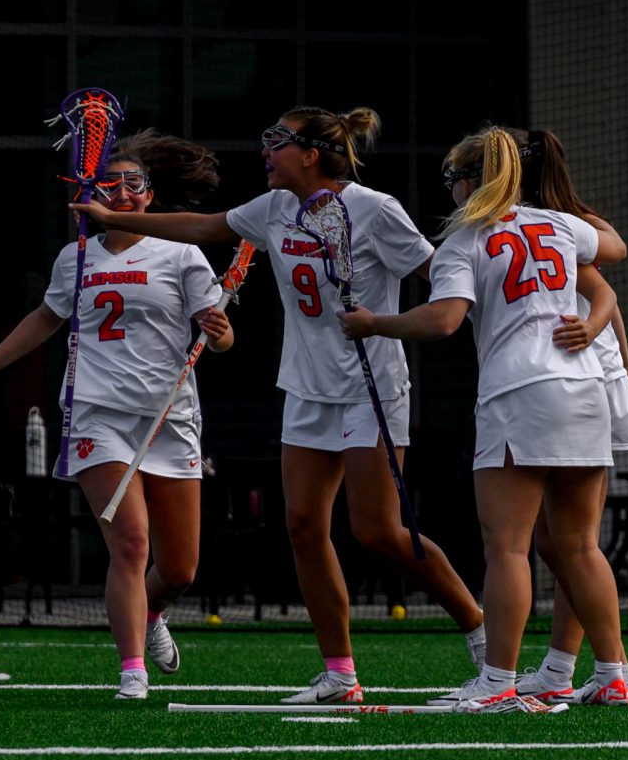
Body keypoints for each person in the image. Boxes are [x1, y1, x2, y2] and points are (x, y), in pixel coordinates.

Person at [69, 106, 486, 705]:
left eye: (276, 141)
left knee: (379, 531)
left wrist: (396, 322)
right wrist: (110, 216)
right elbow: (204, 226)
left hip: (372, 390)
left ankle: (478, 631)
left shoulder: (375, 209)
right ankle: (339, 674)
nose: (265, 151)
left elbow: (439, 268)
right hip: (306, 391)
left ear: (311, 152)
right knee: (303, 527)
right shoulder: (273, 210)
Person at [339, 126, 628, 708]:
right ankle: (615, 674)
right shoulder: (561, 226)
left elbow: (444, 320)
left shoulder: (464, 239)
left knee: (509, 549)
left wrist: (376, 324)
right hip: (583, 391)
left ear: (467, 181)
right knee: (580, 546)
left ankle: (496, 683)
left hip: (518, 394)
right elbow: (615, 251)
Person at [0, 130, 234, 699]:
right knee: (131, 543)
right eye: (113, 184)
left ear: (151, 196)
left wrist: (223, 333)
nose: (125, 193)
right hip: (96, 412)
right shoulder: (76, 256)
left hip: (168, 417)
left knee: (179, 568)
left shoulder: (182, 253)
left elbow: (220, 337)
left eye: (136, 185)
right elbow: (46, 318)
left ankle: (151, 612)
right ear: (94, 194)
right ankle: (133, 671)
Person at [500, 128, 628, 706]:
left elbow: (609, 268)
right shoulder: (518, 221)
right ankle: (563, 668)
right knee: (555, 540)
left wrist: (624, 364)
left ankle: (606, 670)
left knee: (570, 539)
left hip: (580, 375)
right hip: (572, 374)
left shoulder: (563, 220)